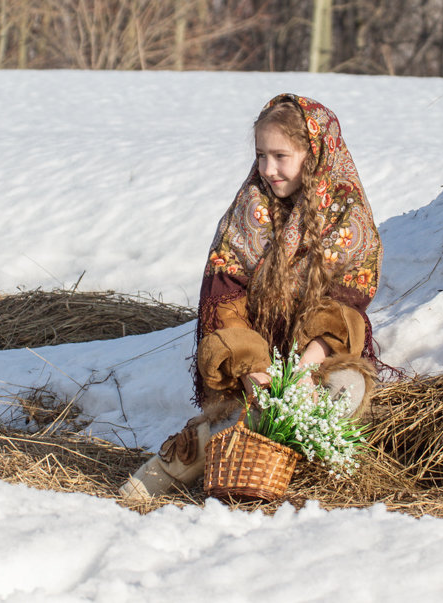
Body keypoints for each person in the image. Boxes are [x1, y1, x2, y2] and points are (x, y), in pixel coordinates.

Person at [120, 93, 382, 501]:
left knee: (348, 387)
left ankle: (257, 452)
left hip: (316, 356)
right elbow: (224, 300)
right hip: (256, 358)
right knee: (252, 405)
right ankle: (184, 458)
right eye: (261, 155)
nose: (268, 169)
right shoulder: (249, 210)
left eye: (281, 156)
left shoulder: (347, 212)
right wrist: (252, 371)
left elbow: (346, 302)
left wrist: (301, 372)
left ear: (313, 154)